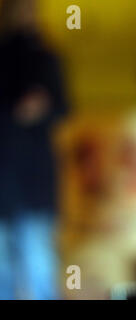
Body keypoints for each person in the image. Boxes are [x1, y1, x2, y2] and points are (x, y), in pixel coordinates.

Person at [0, 0, 68, 299]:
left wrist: (42, 107)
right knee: (9, 261)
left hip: (33, 177)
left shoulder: (47, 57)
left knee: (37, 258)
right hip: (16, 175)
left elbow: (64, 107)